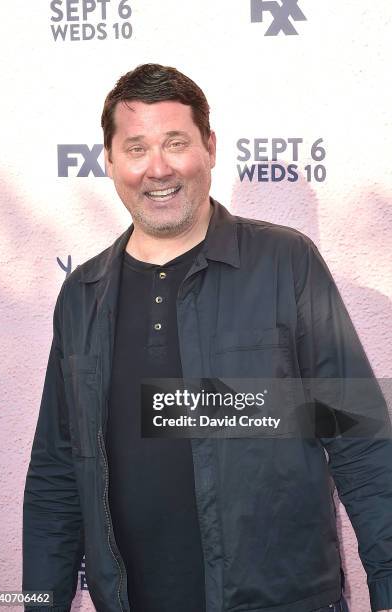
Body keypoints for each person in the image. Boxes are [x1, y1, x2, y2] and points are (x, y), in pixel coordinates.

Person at [22, 63, 392, 612]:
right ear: (109, 161)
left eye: (176, 142)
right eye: (136, 147)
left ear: (210, 148)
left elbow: (359, 442)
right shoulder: (83, 293)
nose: (158, 167)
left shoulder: (285, 263)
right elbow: (56, 475)